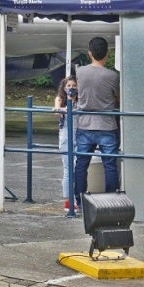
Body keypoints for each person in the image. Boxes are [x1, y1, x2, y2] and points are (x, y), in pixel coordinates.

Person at [73, 37, 121, 201]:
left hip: (84, 123)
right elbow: (118, 97)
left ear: (89, 53)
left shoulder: (80, 72)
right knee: (110, 164)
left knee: (81, 164)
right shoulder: (112, 76)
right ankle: (111, 199)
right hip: (106, 123)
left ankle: (79, 199)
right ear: (107, 53)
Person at [53, 72, 79, 214]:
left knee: (79, 168)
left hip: (79, 135)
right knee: (68, 168)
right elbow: (58, 110)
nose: (71, 88)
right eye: (68, 86)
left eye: (74, 85)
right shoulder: (60, 99)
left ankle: (78, 196)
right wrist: (68, 101)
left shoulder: (80, 101)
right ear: (63, 88)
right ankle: (69, 199)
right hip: (65, 135)